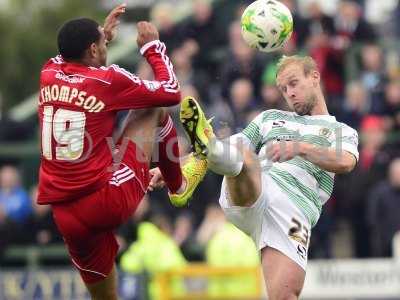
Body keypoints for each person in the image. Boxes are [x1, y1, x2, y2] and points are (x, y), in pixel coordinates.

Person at [151, 55, 359, 299]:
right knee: (241, 153)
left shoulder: (341, 131)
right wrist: (171, 167)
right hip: (254, 188)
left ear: (314, 77)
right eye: (283, 89)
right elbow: (233, 146)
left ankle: (203, 158)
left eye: (293, 84)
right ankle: (195, 165)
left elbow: (345, 162)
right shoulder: (270, 118)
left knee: (285, 296)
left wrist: (300, 147)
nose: (289, 93)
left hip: (294, 212)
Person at [37, 4, 207, 300]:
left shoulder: (48, 73)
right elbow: (170, 91)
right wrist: (152, 47)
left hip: (65, 215)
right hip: (104, 200)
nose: (107, 47)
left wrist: (100, 37)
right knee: (153, 108)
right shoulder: (107, 81)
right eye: (103, 44)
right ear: (92, 50)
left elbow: (71, 54)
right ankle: (179, 185)